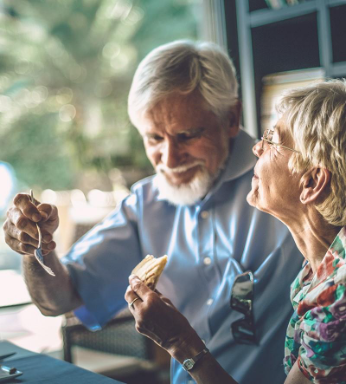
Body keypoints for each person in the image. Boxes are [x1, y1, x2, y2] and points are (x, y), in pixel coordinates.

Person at [3, 40, 302, 384]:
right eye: (154, 139)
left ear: (231, 118)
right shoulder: (146, 202)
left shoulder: (290, 187)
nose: (170, 160)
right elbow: (58, 301)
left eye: (187, 136)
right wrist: (34, 247)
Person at [125, 79, 346, 383]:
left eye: (273, 140)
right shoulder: (321, 265)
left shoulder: (337, 302)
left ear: (311, 182)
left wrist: (179, 341)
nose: (256, 147)